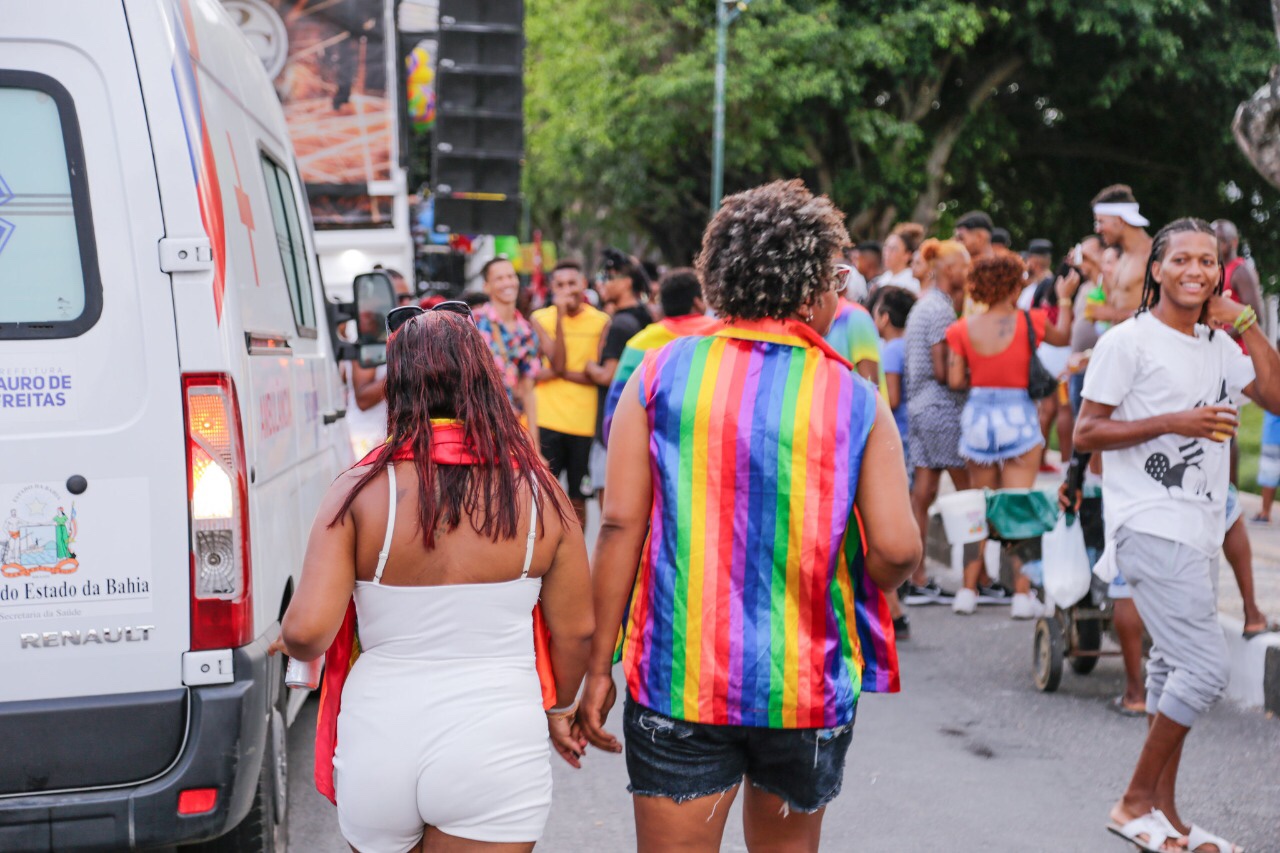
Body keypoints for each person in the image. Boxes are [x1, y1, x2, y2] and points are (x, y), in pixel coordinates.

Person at [579, 180, 920, 853]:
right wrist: (864, 565)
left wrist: (597, 668)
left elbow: (620, 525)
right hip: (805, 687)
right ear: (812, 289)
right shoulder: (854, 396)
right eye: (837, 278)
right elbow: (900, 550)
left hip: (679, 680)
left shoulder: (657, 373)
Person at [271, 303, 594, 852]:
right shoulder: (541, 495)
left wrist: (287, 635)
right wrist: (560, 708)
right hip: (496, 738)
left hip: (381, 737)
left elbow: (308, 633)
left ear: (400, 384)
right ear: (484, 380)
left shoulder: (358, 492)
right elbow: (578, 632)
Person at [1075, 218, 1280, 853]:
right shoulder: (1127, 343)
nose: (1196, 270)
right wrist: (1175, 421)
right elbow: (1086, 432)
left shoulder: (1220, 345)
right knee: (1204, 667)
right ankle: (1134, 800)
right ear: (1156, 269)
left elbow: (1275, 397)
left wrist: (1245, 322)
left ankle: (1162, 815)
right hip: (1148, 523)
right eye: (1183, 259)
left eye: (1208, 261)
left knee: (1171, 671)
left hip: (1199, 530)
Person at [945, 254, 1078, 617]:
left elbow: (956, 381)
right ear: (1014, 284)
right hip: (1018, 415)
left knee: (979, 505)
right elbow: (1064, 334)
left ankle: (968, 591)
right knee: (1019, 505)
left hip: (977, 417)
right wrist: (1064, 298)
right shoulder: (1030, 321)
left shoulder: (961, 328)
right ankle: (1022, 595)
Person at [902, 238, 971, 605]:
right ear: (947, 270)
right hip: (943, 409)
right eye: (963, 265)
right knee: (970, 495)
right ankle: (977, 579)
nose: (968, 271)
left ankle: (917, 575)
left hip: (919, 408)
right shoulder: (940, 311)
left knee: (923, 495)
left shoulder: (922, 305)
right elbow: (945, 371)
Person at [601, 267, 720, 444]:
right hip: (708, 445)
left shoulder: (639, 343)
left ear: (662, 305)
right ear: (697, 302)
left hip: (651, 447)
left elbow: (615, 409)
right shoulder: (719, 336)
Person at [531, 264, 610, 526]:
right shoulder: (540, 319)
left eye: (572, 283)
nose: (567, 291)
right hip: (547, 419)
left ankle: (576, 561)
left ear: (584, 283)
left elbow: (596, 373)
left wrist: (557, 373)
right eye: (560, 285)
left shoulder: (601, 321)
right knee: (542, 495)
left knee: (579, 497)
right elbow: (543, 366)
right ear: (552, 289)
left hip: (584, 424)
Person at [584, 249, 652, 508]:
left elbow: (607, 376)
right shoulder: (646, 316)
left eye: (609, 277)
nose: (603, 283)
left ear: (626, 283)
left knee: (609, 508)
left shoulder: (620, 324)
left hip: (610, 428)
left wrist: (589, 367)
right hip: (640, 422)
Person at [345, 269, 415, 458]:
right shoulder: (368, 337)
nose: (406, 304)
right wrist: (403, 368)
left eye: (409, 297)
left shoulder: (405, 334)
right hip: (366, 444)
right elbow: (363, 399)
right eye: (400, 298)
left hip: (395, 442)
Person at [473, 256, 542, 444]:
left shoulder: (526, 331)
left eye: (511, 276)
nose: (507, 283)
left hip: (511, 430)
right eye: (499, 278)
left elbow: (529, 392)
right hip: (478, 430)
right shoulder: (473, 323)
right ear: (486, 286)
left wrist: (535, 446)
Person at [1091, 184, 1152, 325]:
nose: (1097, 229)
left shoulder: (1150, 253)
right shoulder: (1124, 256)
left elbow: (1159, 312)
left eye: (1100, 222)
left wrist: (1111, 314)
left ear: (1119, 221)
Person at [882, 223, 924, 292]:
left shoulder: (912, 282)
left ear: (907, 255)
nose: (887, 253)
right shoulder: (884, 277)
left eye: (893, 249)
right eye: (886, 247)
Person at [1255, 408, 1280, 524]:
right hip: (1273, 433)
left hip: (1274, 435)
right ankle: (1265, 512)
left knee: (1269, 474)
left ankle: (1265, 512)